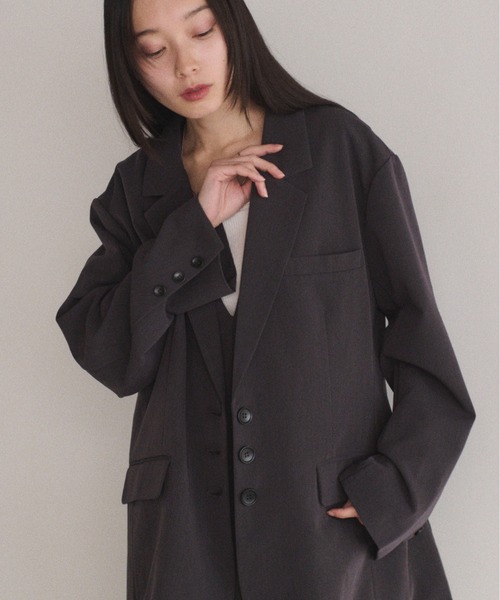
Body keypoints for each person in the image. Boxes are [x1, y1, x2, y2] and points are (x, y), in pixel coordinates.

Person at [56, 0, 475, 598]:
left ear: (232, 25)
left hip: (330, 536)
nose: (185, 64)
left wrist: (393, 492)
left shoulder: (340, 150)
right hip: (186, 544)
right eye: (154, 49)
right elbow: (110, 355)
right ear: (130, 62)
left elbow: (422, 341)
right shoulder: (137, 187)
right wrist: (192, 227)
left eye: (201, 31)